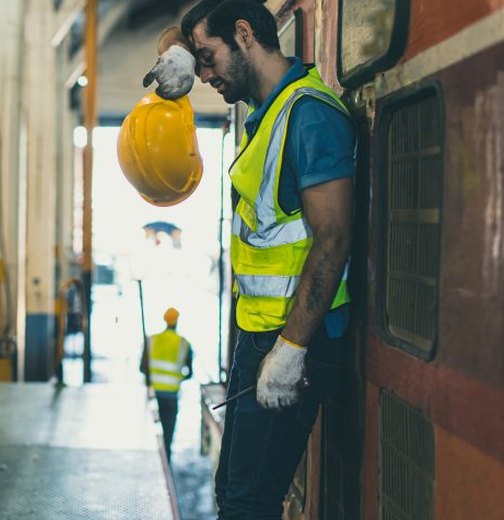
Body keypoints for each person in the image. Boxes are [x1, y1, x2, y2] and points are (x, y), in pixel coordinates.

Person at [144, 1, 355, 518]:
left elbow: (333, 238)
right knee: (231, 495)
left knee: (248, 503)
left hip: (293, 339)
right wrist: (177, 50)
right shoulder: (269, 113)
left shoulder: (310, 114)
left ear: (244, 34)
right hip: (258, 334)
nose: (205, 75)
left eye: (209, 58)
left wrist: (291, 349)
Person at [140, 307, 193, 463]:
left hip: (153, 395)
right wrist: (177, 379)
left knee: (151, 435)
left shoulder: (151, 340)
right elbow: (189, 373)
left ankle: (152, 462)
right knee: (167, 436)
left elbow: (142, 368)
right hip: (171, 397)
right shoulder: (184, 343)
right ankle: (166, 464)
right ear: (177, 321)